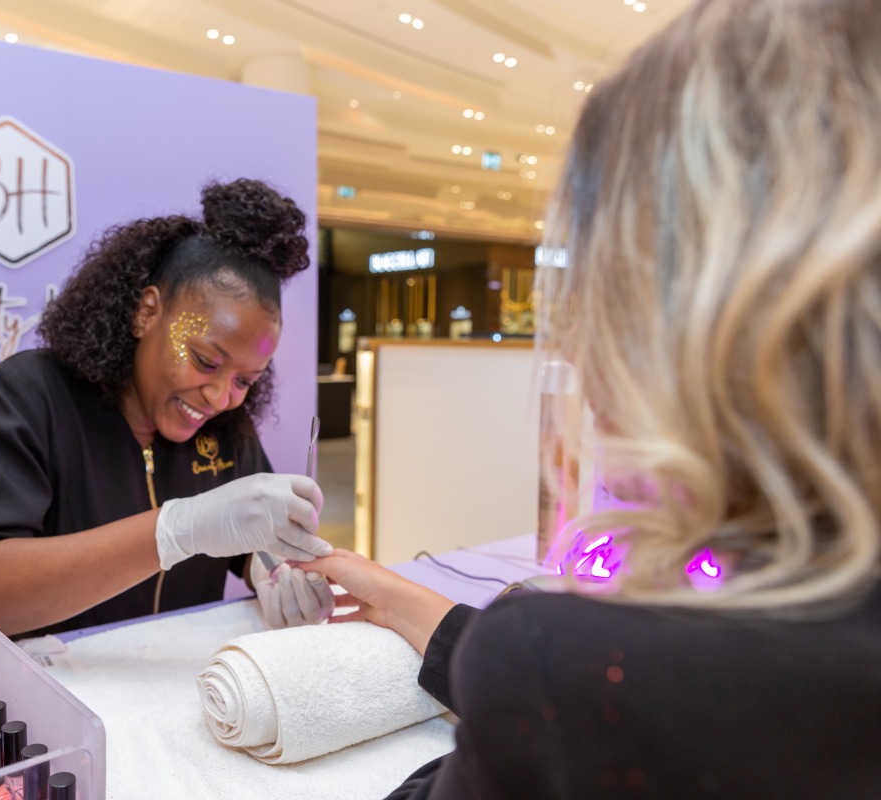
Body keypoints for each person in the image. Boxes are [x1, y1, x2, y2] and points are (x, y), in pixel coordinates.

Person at [301, 0, 881, 796]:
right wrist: (415, 606)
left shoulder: (582, 669)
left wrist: (523, 671)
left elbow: (591, 710)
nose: (574, 348)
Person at [0, 178, 334, 639]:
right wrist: (175, 529)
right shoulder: (29, 396)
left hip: (174, 692)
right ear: (146, 313)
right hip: (55, 692)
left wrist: (267, 566)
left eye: (246, 380)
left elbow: (243, 541)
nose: (221, 398)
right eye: (205, 361)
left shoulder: (226, 429)